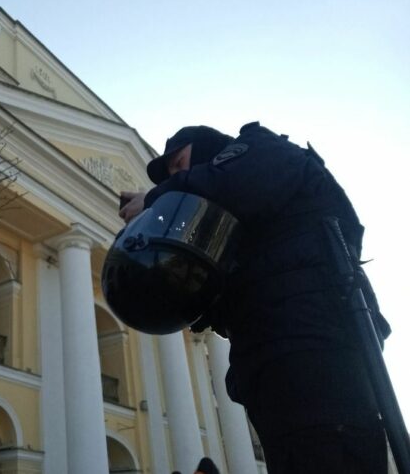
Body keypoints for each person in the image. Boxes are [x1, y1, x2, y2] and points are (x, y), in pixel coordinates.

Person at [120, 122, 391, 473]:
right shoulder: (237, 227)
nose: (177, 175)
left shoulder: (260, 148)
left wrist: (154, 200)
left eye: (178, 164)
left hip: (313, 349)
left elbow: (232, 182)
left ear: (210, 150)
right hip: (277, 363)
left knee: (328, 452)